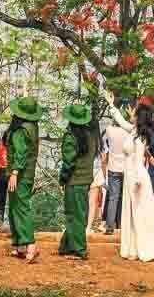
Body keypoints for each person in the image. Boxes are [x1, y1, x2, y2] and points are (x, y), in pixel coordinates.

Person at [112, 97, 154, 261]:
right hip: (131, 175)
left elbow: (137, 159)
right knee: (133, 213)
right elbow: (121, 121)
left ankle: (146, 248)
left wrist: (136, 179)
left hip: (137, 177)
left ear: (139, 116)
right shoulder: (134, 131)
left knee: (140, 213)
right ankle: (133, 249)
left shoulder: (141, 137)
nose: (132, 113)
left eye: (135, 111)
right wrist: (111, 105)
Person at [2, 95, 42, 262]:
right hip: (28, 173)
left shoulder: (20, 130)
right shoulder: (33, 126)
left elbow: (20, 153)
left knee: (20, 207)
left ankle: (30, 244)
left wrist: (15, 173)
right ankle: (20, 245)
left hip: (20, 174)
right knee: (15, 207)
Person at [58, 102, 96, 260]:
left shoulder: (70, 137)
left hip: (74, 180)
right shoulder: (90, 136)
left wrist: (63, 179)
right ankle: (66, 246)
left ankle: (79, 249)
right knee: (76, 213)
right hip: (86, 179)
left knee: (74, 214)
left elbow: (69, 162)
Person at [101, 96, 133, 233]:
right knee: (126, 197)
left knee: (113, 198)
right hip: (126, 167)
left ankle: (109, 226)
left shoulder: (109, 130)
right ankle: (124, 224)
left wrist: (112, 104)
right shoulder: (129, 131)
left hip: (113, 168)